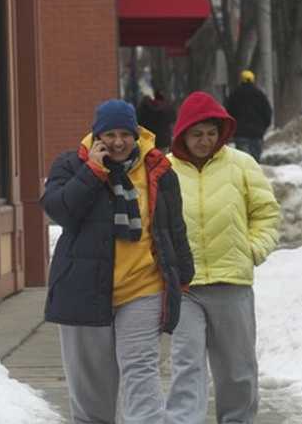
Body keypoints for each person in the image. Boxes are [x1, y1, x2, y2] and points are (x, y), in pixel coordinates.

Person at [40, 99, 194, 424]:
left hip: (142, 288)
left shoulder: (158, 170)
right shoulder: (70, 165)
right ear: (97, 136)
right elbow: (59, 210)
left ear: (136, 134)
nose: (119, 142)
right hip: (82, 289)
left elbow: (172, 227)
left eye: (125, 133)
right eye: (110, 134)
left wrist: (182, 275)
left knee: (141, 373)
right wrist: (92, 173)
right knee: (91, 390)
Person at [165, 91, 281, 424]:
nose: (204, 141)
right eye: (197, 134)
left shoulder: (242, 164)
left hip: (231, 281)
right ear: (183, 133)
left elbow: (267, 213)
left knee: (236, 369)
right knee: (186, 365)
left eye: (211, 133)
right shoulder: (164, 169)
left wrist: (254, 249)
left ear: (222, 132)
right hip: (185, 287)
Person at [225, 70, 272, 162]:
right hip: (257, 133)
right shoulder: (260, 94)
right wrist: (264, 127)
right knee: (255, 161)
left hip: (240, 133)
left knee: (243, 160)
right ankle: (254, 175)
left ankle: (244, 176)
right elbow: (267, 112)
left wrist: (231, 128)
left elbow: (228, 112)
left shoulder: (235, 94)